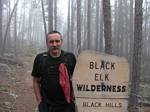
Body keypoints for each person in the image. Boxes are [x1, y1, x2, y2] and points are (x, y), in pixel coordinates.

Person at [31, 30, 76, 112]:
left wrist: (73, 98)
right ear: (47, 43)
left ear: (61, 42)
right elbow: (35, 81)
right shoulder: (40, 58)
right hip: (47, 106)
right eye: (51, 42)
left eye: (57, 41)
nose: (55, 44)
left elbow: (76, 79)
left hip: (67, 105)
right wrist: (40, 102)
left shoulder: (70, 58)